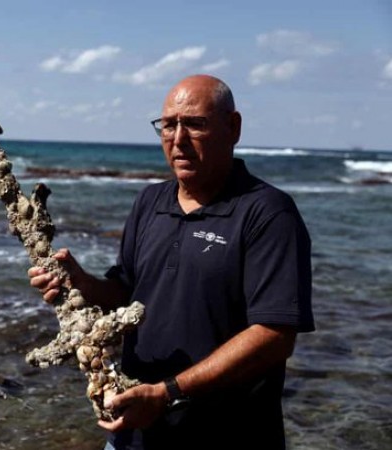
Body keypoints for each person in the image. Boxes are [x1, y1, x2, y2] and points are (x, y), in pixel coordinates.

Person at [28, 74, 314, 449]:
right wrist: (82, 283)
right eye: (168, 125)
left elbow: (274, 336)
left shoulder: (268, 213)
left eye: (195, 124)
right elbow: (127, 292)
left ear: (233, 128)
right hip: (134, 433)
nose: (178, 139)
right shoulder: (149, 203)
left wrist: (168, 394)